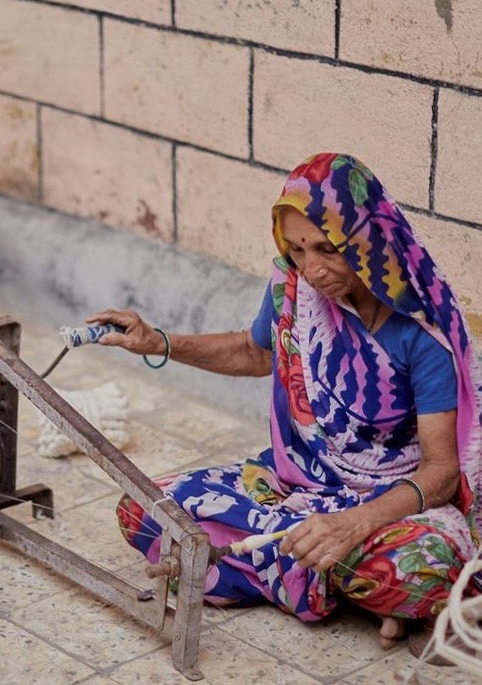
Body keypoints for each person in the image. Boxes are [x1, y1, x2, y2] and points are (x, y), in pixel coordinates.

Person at [89, 152, 482, 657]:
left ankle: (292, 572)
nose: (312, 269)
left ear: (367, 240)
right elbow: (254, 352)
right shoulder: (291, 289)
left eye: (327, 249)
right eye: (297, 249)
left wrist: (355, 523)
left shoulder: (421, 332)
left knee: (415, 569)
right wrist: (159, 341)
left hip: (389, 500)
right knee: (145, 511)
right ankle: (333, 583)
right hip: (296, 486)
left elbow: (441, 472)